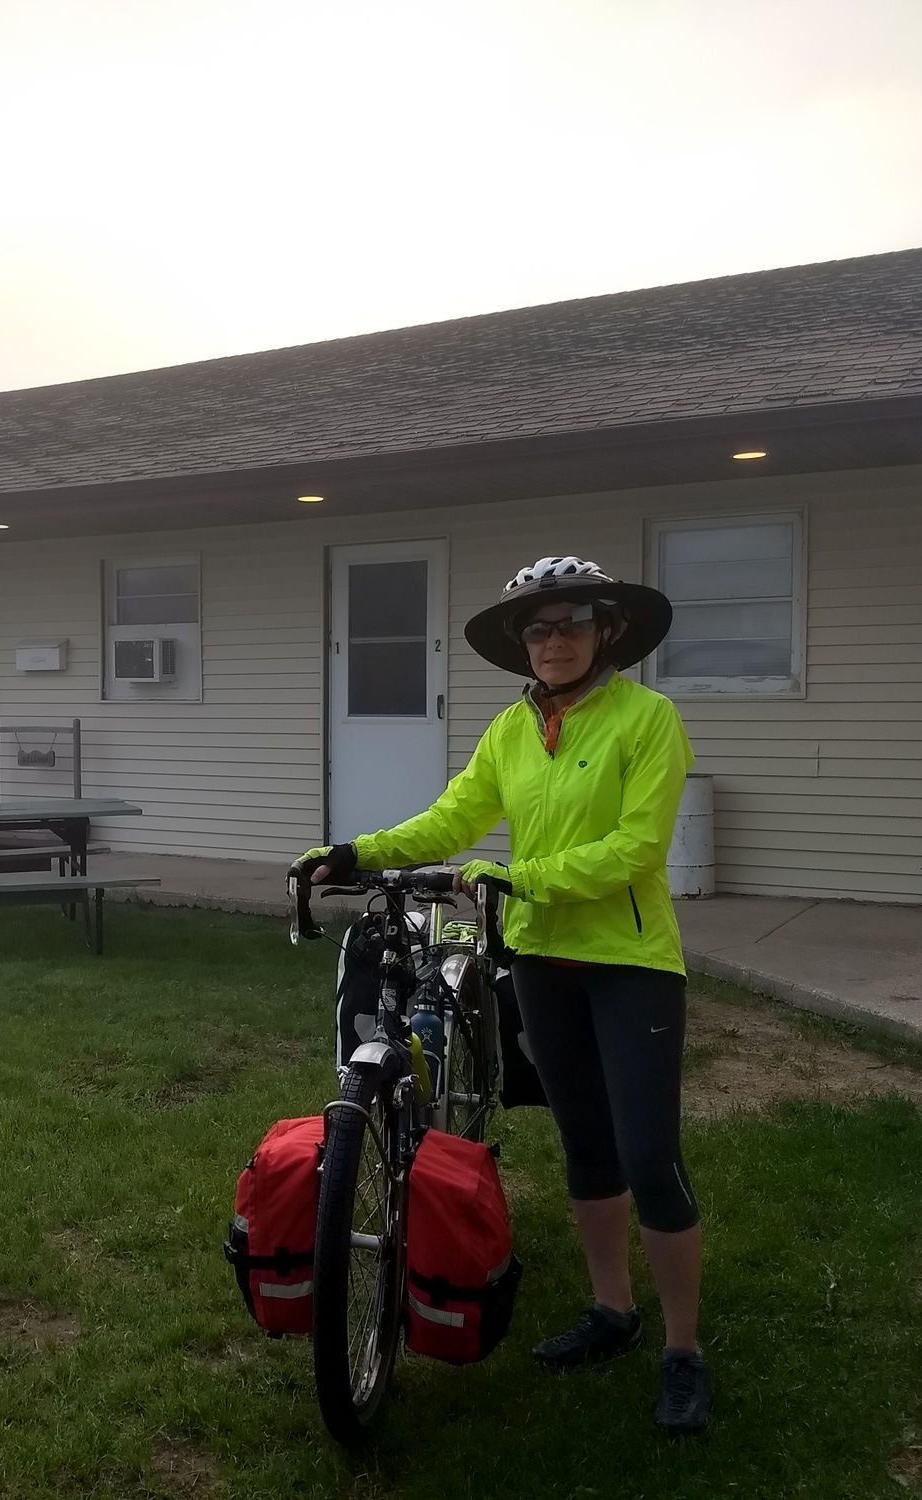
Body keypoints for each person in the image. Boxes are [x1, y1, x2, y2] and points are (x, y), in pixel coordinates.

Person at [292, 555, 709, 1436]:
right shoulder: (513, 729)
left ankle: (684, 1350)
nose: (554, 641)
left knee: (649, 1157)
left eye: (572, 624)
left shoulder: (649, 719)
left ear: (607, 631)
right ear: (524, 645)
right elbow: (452, 818)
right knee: (585, 1144)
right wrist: (356, 852)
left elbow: (636, 850)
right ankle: (613, 1311)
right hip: (541, 961)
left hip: (631, 965)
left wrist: (517, 877)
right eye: (538, 629)